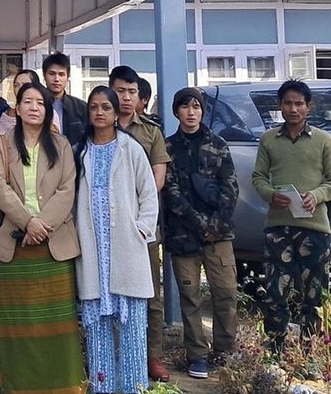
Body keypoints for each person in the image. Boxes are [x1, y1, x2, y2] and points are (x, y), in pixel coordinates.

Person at [0, 82, 85, 394]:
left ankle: (62, 385)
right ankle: (17, 384)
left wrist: (42, 224)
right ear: (16, 108)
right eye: (27, 102)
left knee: (58, 324)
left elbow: (68, 189)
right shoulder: (1, 144)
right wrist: (28, 222)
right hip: (13, 244)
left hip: (52, 244)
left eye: (39, 103)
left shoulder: (62, 144)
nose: (33, 107)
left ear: (47, 110)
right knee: (16, 324)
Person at [74, 86, 158, 394]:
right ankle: (102, 387)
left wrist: (142, 228)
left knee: (132, 328)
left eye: (105, 108)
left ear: (115, 113)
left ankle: (134, 387)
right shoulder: (81, 150)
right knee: (96, 327)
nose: (99, 113)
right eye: (93, 107)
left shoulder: (130, 148)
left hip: (126, 247)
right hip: (93, 249)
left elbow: (148, 193)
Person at [162, 87, 239, 379]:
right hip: (184, 235)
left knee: (225, 293)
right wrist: (198, 224)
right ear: (176, 111)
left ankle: (225, 349)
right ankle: (197, 355)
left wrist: (214, 226)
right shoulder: (168, 148)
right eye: (185, 106)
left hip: (219, 236)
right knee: (190, 297)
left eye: (196, 106)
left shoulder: (218, 144)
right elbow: (171, 192)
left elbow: (230, 188)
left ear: (202, 111)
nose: (191, 112)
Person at [252, 79, 331, 355]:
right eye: (288, 103)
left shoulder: (323, 140)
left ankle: (310, 354)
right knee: (276, 293)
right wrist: (272, 194)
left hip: (314, 228)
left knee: (314, 295)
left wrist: (317, 195)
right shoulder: (269, 139)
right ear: (280, 106)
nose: (293, 108)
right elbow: (258, 177)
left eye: (299, 103)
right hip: (278, 227)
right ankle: (274, 351)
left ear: (309, 107)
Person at [109, 65, 171, 382]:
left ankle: (153, 356)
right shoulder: (99, 128)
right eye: (121, 90)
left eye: (132, 92)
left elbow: (157, 179)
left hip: (142, 225)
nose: (127, 97)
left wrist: (136, 212)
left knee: (150, 294)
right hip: (107, 226)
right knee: (109, 292)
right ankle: (113, 352)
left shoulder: (150, 131)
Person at [42, 52, 87, 146]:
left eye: (61, 74)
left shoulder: (81, 107)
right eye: (52, 73)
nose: (56, 79)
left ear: (68, 77)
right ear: (44, 75)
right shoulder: (38, 105)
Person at [0, 70, 45, 137]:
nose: (20, 88)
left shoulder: (45, 110)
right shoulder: (8, 113)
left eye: (25, 84)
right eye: (16, 85)